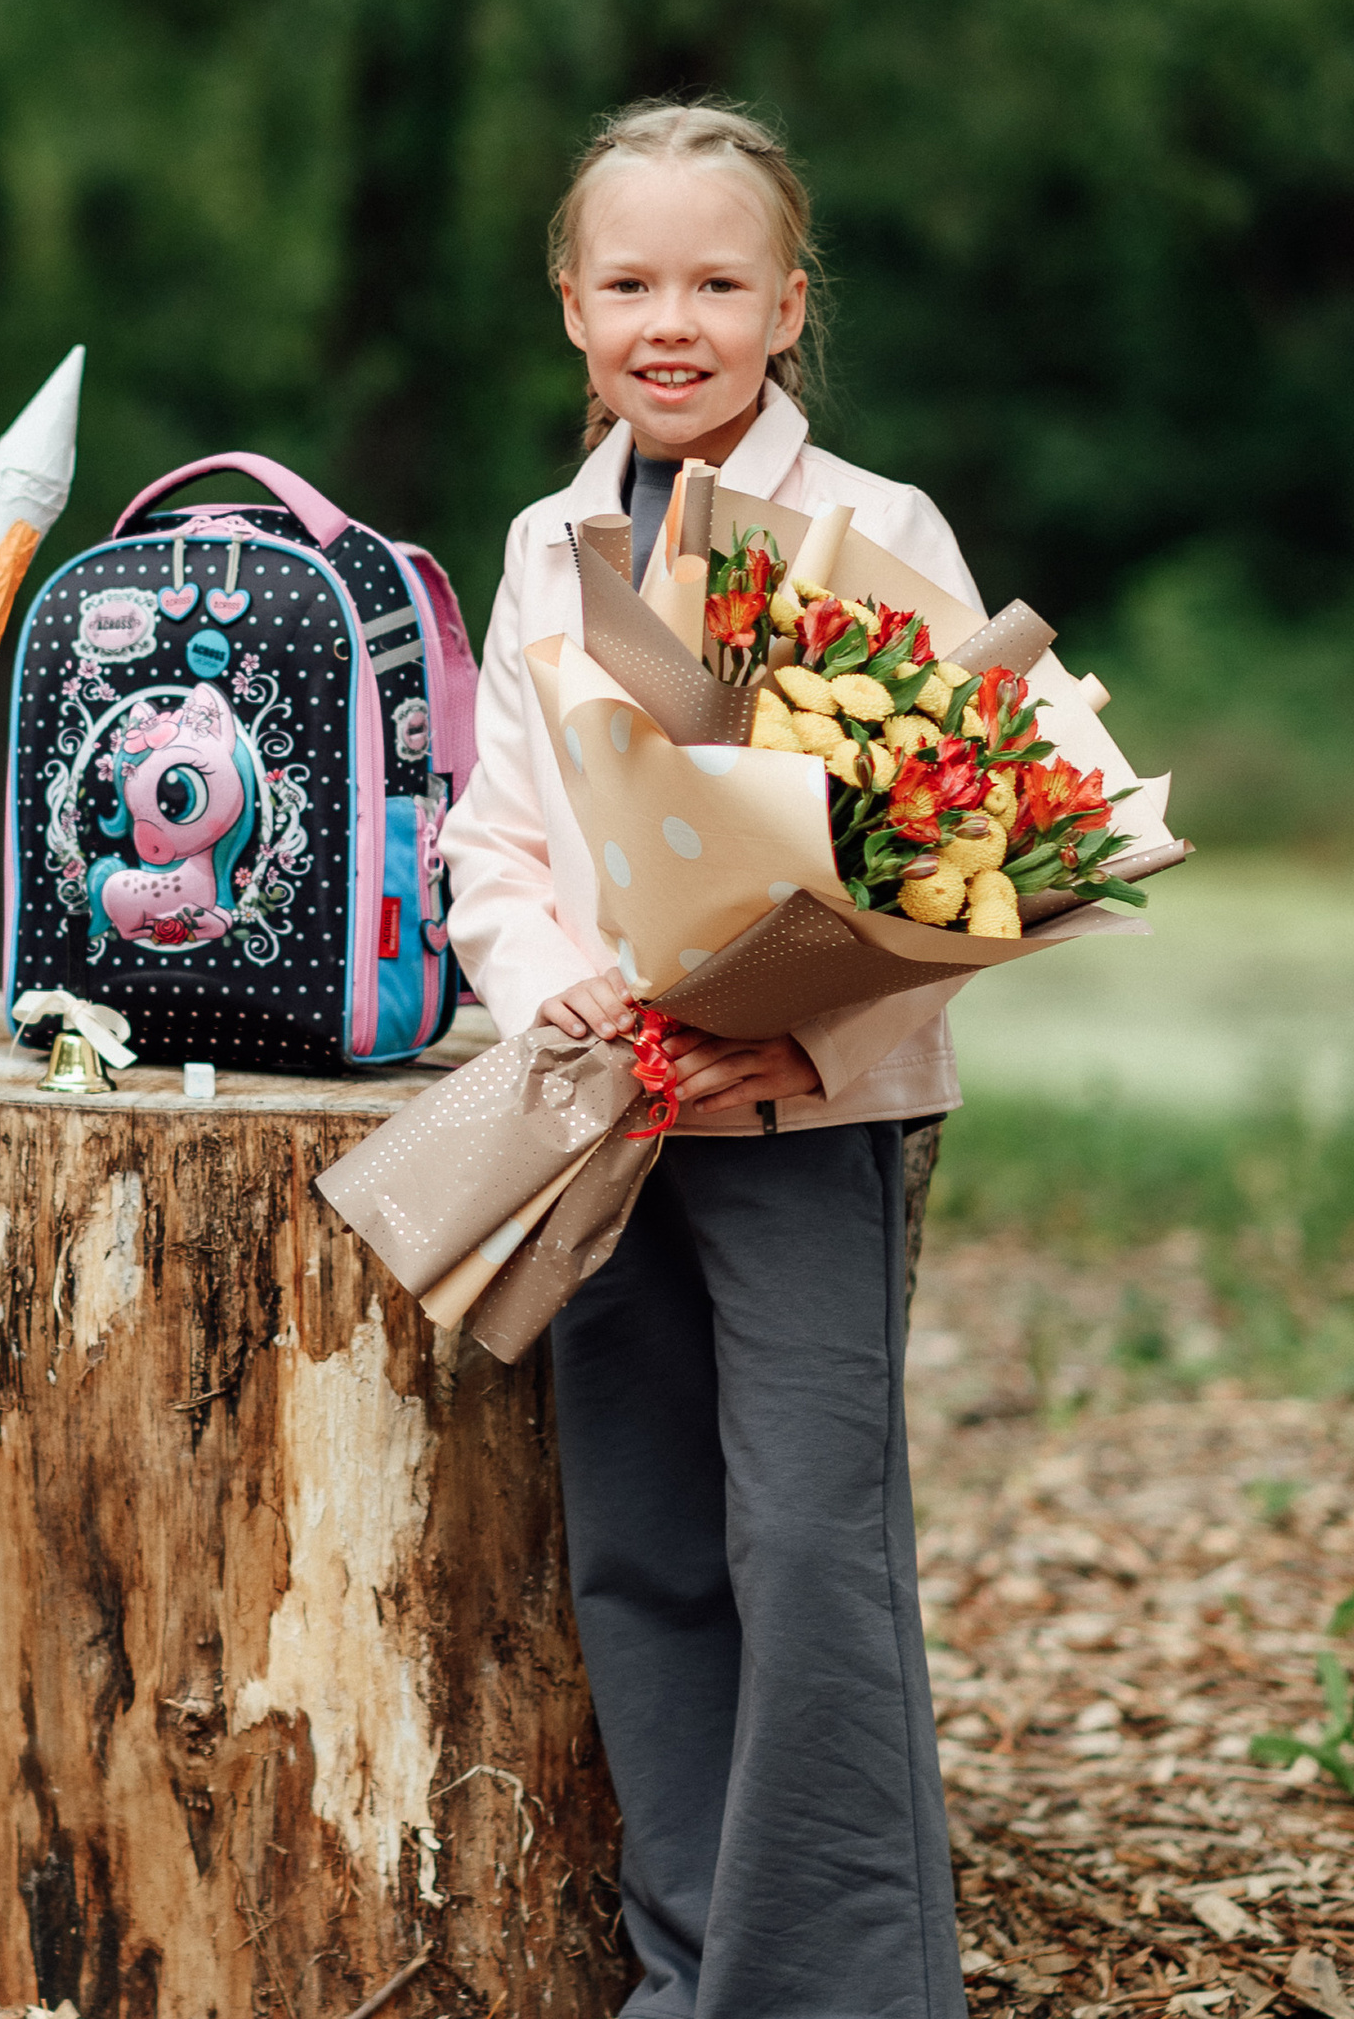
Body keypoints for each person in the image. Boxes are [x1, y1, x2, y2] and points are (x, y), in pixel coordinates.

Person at [440, 99, 977, 2019]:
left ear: (788, 308)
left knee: (815, 1549)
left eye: (718, 281)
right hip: (605, 1122)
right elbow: (497, 840)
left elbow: (955, 855)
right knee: (649, 1551)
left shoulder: (879, 532)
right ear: (573, 310)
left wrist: (799, 1031)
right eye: (633, 281)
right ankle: (691, 1977)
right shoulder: (543, 543)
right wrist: (545, 985)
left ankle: (840, 1990)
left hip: (800, 1122)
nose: (675, 319)